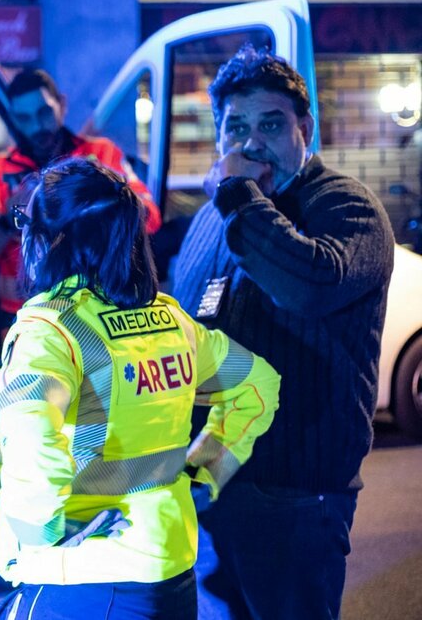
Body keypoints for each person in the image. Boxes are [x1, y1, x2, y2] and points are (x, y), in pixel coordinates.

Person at [0, 157, 280, 619]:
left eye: (28, 222)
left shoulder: (50, 329)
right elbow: (257, 384)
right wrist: (208, 470)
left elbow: (32, 442)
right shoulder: (170, 319)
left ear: (51, 239)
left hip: (82, 574)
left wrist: (38, 538)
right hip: (169, 565)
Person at [171, 45, 395, 620]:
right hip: (215, 480)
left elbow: (306, 285)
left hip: (297, 491)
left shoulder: (346, 207)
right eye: (235, 127)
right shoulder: (215, 215)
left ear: (305, 128)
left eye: (270, 124)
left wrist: (241, 198)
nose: (249, 144)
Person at [0, 69, 162, 362]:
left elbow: (149, 218)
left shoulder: (100, 156)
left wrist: (96, 201)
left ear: (62, 104)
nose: (36, 126)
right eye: (24, 118)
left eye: (44, 112)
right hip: (26, 314)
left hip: (103, 305)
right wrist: (12, 218)